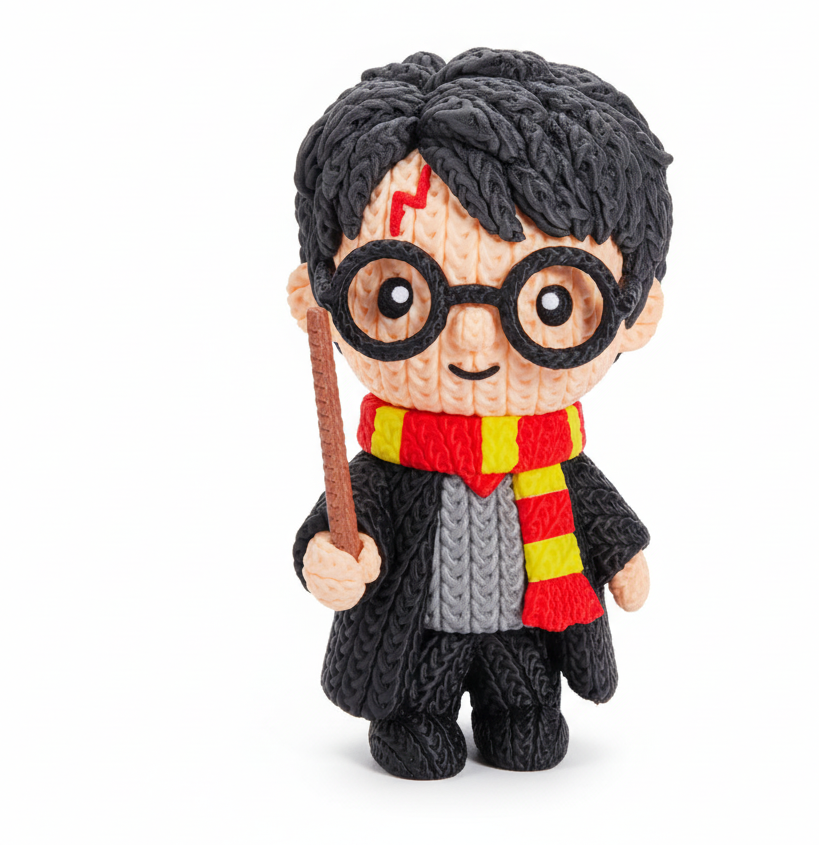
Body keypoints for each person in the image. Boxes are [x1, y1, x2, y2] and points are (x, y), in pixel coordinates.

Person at [287, 48, 673, 779]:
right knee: (417, 721)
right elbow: (350, 516)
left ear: (636, 312)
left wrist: (622, 554)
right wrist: (329, 556)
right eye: (399, 294)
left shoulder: (552, 457)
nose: (470, 337)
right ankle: (416, 719)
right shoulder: (390, 462)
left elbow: (591, 509)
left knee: (529, 721)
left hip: (527, 632)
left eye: (547, 302)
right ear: (320, 298)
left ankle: (521, 714)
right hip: (418, 632)